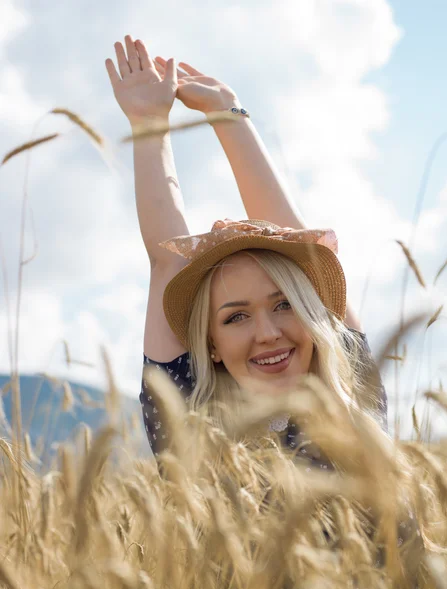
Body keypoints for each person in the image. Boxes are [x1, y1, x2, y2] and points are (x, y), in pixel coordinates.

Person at [105, 35, 387, 464]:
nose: (268, 332)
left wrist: (229, 114)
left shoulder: (353, 390)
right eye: (235, 316)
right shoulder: (192, 429)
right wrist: (148, 122)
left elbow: (300, 243)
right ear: (211, 344)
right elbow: (168, 260)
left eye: (285, 304)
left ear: (313, 314)